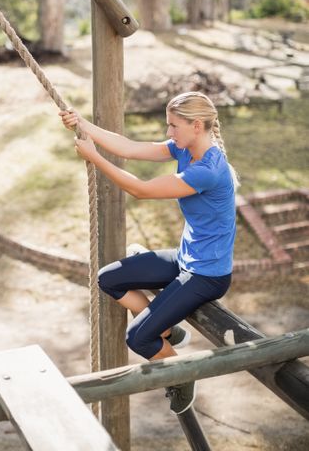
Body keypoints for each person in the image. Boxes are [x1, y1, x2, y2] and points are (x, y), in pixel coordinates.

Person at [60, 91, 238, 415]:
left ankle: (183, 375)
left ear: (196, 126)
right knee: (109, 278)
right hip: (186, 259)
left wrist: (94, 157)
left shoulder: (208, 171)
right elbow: (129, 147)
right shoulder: (185, 150)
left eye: (173, 126)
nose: (169, 133)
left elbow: (140, 190)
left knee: (138, 338)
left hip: (207, 275)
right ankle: (168, 330)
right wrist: (83, 123)